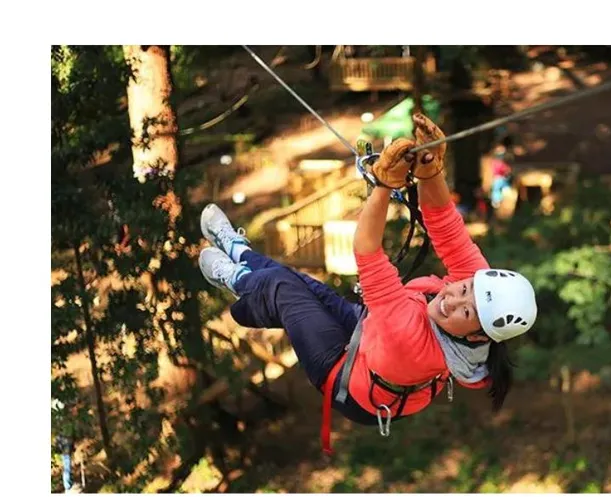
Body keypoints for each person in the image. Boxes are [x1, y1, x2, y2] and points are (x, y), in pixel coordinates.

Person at [197, 113, 537, 454]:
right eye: (463, 290)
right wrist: (431, 170)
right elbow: (444, 223)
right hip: (371, 337)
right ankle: (238, 250)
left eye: (466, 312)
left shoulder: (409, 336)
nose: (453, 299)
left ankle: (236, 278)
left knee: (283, 291)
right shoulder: (476, 287)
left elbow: (366, 250)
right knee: (298, 282)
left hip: (350, 381)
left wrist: (383, 186)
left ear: (477, 336)